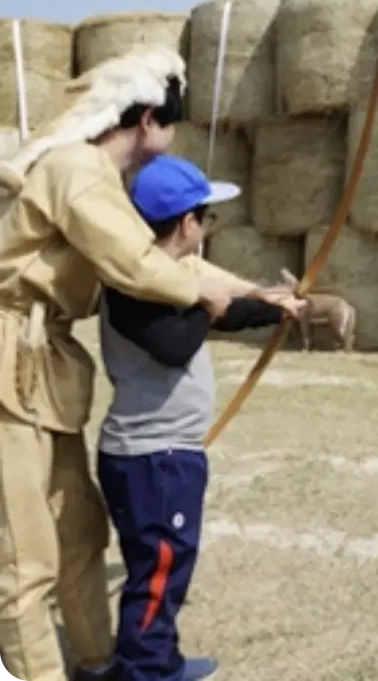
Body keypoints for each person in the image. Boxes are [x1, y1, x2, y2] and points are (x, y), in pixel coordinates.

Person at [0, 44, 303, 681]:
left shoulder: (96, 179)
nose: (169, 139)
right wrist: (212, 296)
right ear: (146, 121)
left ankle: (96, 663)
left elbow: (166, 263)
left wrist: (256, 295)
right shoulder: (78, 168)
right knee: (25, 559)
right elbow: (136, 265)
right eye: (168, 125)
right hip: (7, 359)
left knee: (79, 534)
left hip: (39, 359)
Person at [96, 154, 300, 681]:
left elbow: (217, 311)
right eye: (206, 218)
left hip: (162, 455)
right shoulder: (132, 283)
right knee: (160, 569)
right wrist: (208, 303)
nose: (207, 228)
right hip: (152, 456)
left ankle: (157, 659)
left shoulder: (172, 276)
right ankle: (144, 671)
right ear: (187, 223)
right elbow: (175, 342)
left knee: (166, 565)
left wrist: (275, 305)